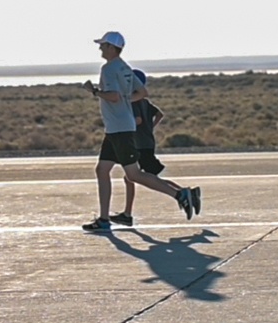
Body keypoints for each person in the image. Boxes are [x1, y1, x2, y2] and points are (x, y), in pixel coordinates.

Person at [81, 32, 199, 232]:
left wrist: (94, 91)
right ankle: (103, 219)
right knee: (102, 170)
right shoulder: (125, 67)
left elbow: (115, 96)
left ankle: (180, 195)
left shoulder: (109, 69)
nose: (100, 48)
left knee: (134, 174)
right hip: (116, 128)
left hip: (119, 128)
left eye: (103, 45)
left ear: (111, 47)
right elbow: (142, 93)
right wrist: (126, 102)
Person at [109, 69, 200, 226]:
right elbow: (159, 114)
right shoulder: (144, 101)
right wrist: (150, 127)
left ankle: (184, 193)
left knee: (143, 178)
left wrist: (121, 124)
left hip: (138, 144)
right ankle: (127, 213)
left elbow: (137, 120)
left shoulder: (133, 101)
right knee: (133, 177)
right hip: (146, 143)